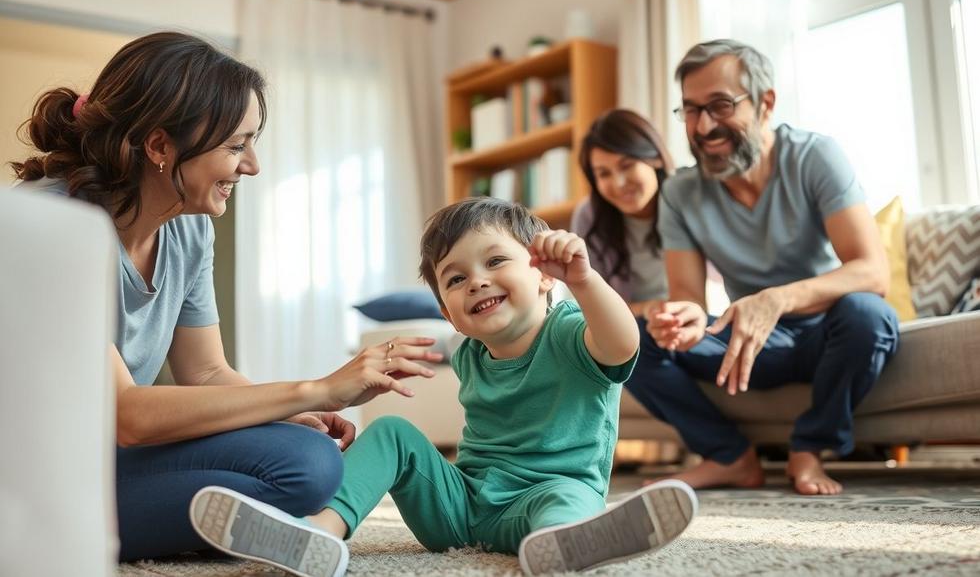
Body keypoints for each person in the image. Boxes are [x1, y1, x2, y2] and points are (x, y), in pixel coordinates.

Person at [11, 31, 441, 568]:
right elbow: (127, 415)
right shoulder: (50, 227)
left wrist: (293, 411)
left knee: (311, 461)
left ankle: (202, 522)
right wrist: (318, 389)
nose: (252, 165)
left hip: (106, 456)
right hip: (34, 472)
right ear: (160, 147)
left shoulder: (188, 229)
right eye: (236, 146)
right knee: (288, 470)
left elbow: (208, 373)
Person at [191, 197, 697, 577]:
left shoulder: (571, 331)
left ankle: (565, 545)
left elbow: (623, 344)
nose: (476, 281)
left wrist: (584, 282)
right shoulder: (470, 351)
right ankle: (319, 534)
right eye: (455, 279)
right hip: (463, 505)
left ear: (544, 276)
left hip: (545, 498)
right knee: (392, 430)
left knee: (567, 498)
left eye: (495, 262)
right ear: (447, 314)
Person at [628, 39, 900, 496]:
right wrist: (683, 320)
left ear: (765, 103)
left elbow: (872, 272)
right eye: (691, 110)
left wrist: (776, 300)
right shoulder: (679, 193)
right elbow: (688, 299)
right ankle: (730, 457)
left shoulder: (814, 156)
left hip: (825, 332)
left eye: (720, 105)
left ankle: (809, 448)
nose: (704, 126)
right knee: (631, 339)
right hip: (748, 342)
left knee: (868, 315)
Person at [571, 108, 676, 319]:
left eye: (627, 165)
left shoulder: (684, 200)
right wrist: (648, 309)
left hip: (688, 318)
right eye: (604, 174)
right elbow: (594, 306)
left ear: (655, 158)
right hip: (627, 325)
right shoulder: (589, 218)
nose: (619, 183)